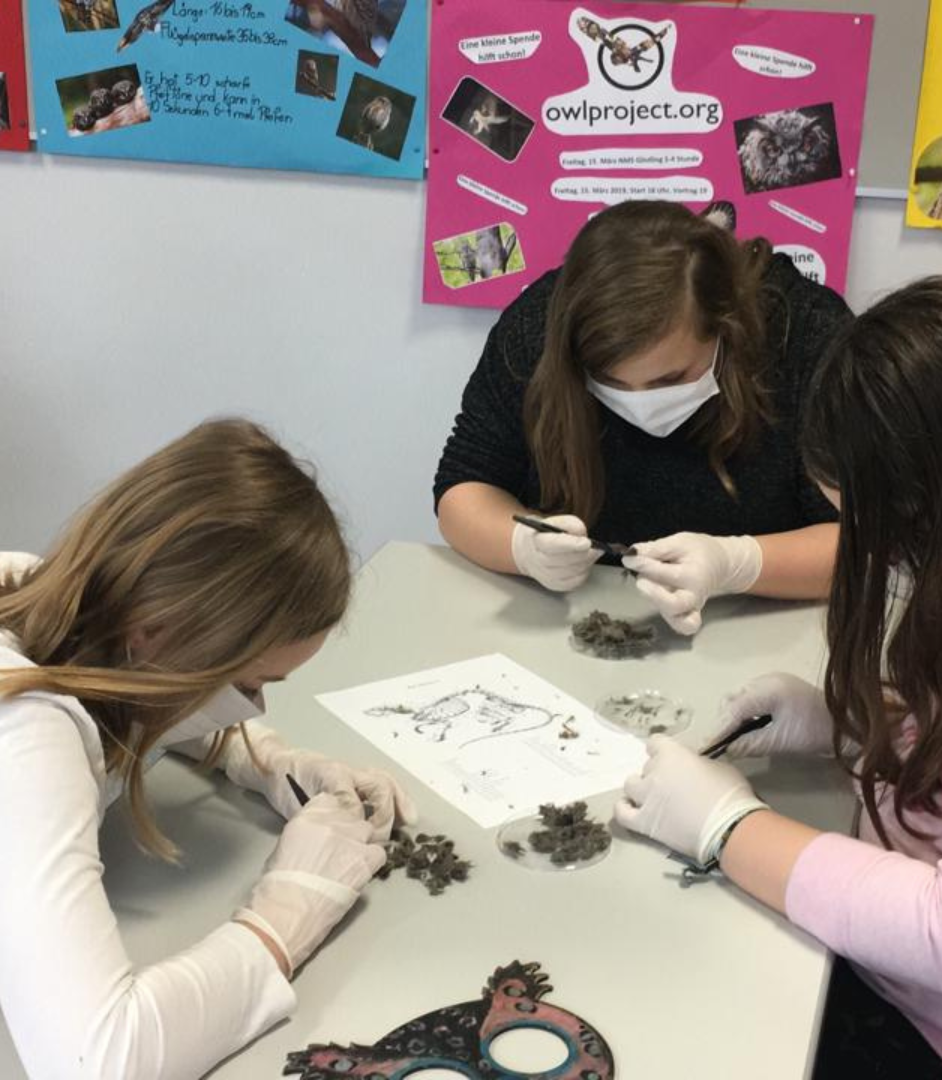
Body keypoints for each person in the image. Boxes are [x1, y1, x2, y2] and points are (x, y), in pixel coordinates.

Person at [615, 277, 942, 1079]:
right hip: (906, 992)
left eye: (897, 538)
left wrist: (728, 828)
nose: (887, 562)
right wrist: (863, 731)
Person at [0, 419, 415, 1080]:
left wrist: (266, 758)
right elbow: (100, 1060)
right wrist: (284, 916)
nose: (256, 704)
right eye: (250, 683)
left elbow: (134, 694)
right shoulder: (23, 731)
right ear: (159, 634)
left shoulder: (48, 589)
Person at [434, 200, 849, 635]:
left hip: (764, 626)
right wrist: (521, 547)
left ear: (726, 327)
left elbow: (867, 541)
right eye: (610, 382)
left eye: (670, 379)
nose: (639, 402)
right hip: (568, 621)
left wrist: (737, 564)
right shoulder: (539, 328)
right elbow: (464, 487)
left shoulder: (806, 337)